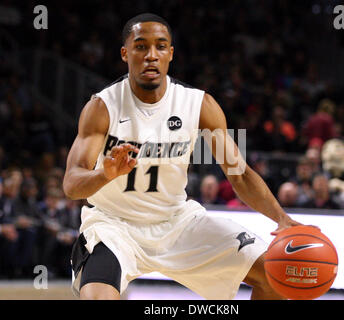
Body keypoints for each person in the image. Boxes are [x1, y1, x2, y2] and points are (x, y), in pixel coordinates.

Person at [63, 13, 302, 300]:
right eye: (141, 47)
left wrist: (281, 218)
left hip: (177, 221)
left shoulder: (200, 104)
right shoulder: (102, 106)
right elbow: (71, 185)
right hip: (114, 225)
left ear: (170, 53)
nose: (151, 55)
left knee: (275, 275)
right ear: (125, 54)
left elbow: (239, 173)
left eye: (160, 46)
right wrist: (105, 174)